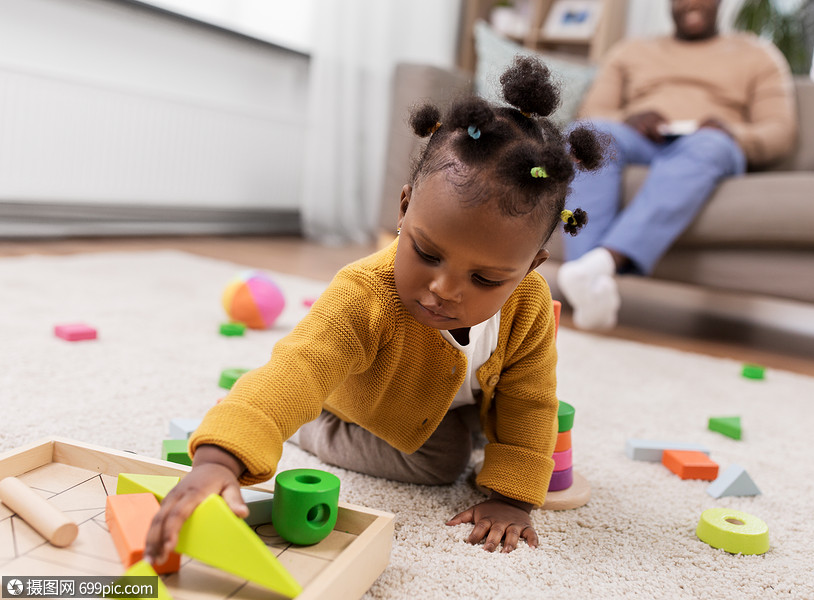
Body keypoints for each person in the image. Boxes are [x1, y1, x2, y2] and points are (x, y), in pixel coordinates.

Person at [143, 56, 606, 563]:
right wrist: (219, 460)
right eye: (427, 253)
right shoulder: (365, 294)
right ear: (404, 208)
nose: (443, 290)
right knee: (444, 458)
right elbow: (296, 369)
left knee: (501, 428)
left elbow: (531, 397)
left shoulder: (531, 304)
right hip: (365, 405)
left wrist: (513, 498)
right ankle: (312, 426)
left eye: (486, 279)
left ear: (532, 266)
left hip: (459, 399)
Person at [558, 0, 798, 330]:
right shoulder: (631, 51)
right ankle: (589, 285)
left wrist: (731, 132)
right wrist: (629, 119)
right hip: (641, 140)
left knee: (710, 145)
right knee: (586, 136)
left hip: (707, 144)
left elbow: (780, 133)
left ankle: (600, 265)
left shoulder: (759, 55)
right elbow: (591, 114)